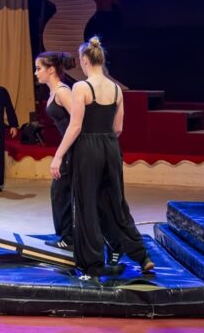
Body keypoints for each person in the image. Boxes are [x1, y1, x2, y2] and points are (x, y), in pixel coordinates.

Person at [50, 38, 154, 278]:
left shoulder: (81, 87)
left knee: (86, 204)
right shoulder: (116, 89)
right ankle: (142, 256)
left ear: (85, 61)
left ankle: (93, 262)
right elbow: (118, 128)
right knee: (116, 204)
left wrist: (58, 156)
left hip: (87, 148)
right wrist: (105, 140)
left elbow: (75, 126)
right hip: (111, 147)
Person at [34, 51, 76, 249]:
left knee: (60, 191)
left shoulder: (62, 92)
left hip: (74, 148)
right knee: (60, 191)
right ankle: (66, 236)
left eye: (38, 68)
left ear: (51, 70)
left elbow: (78, 121)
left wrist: (61, 155)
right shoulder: (54, 92)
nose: (36, 73)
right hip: (68, 148)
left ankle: (68, 238)